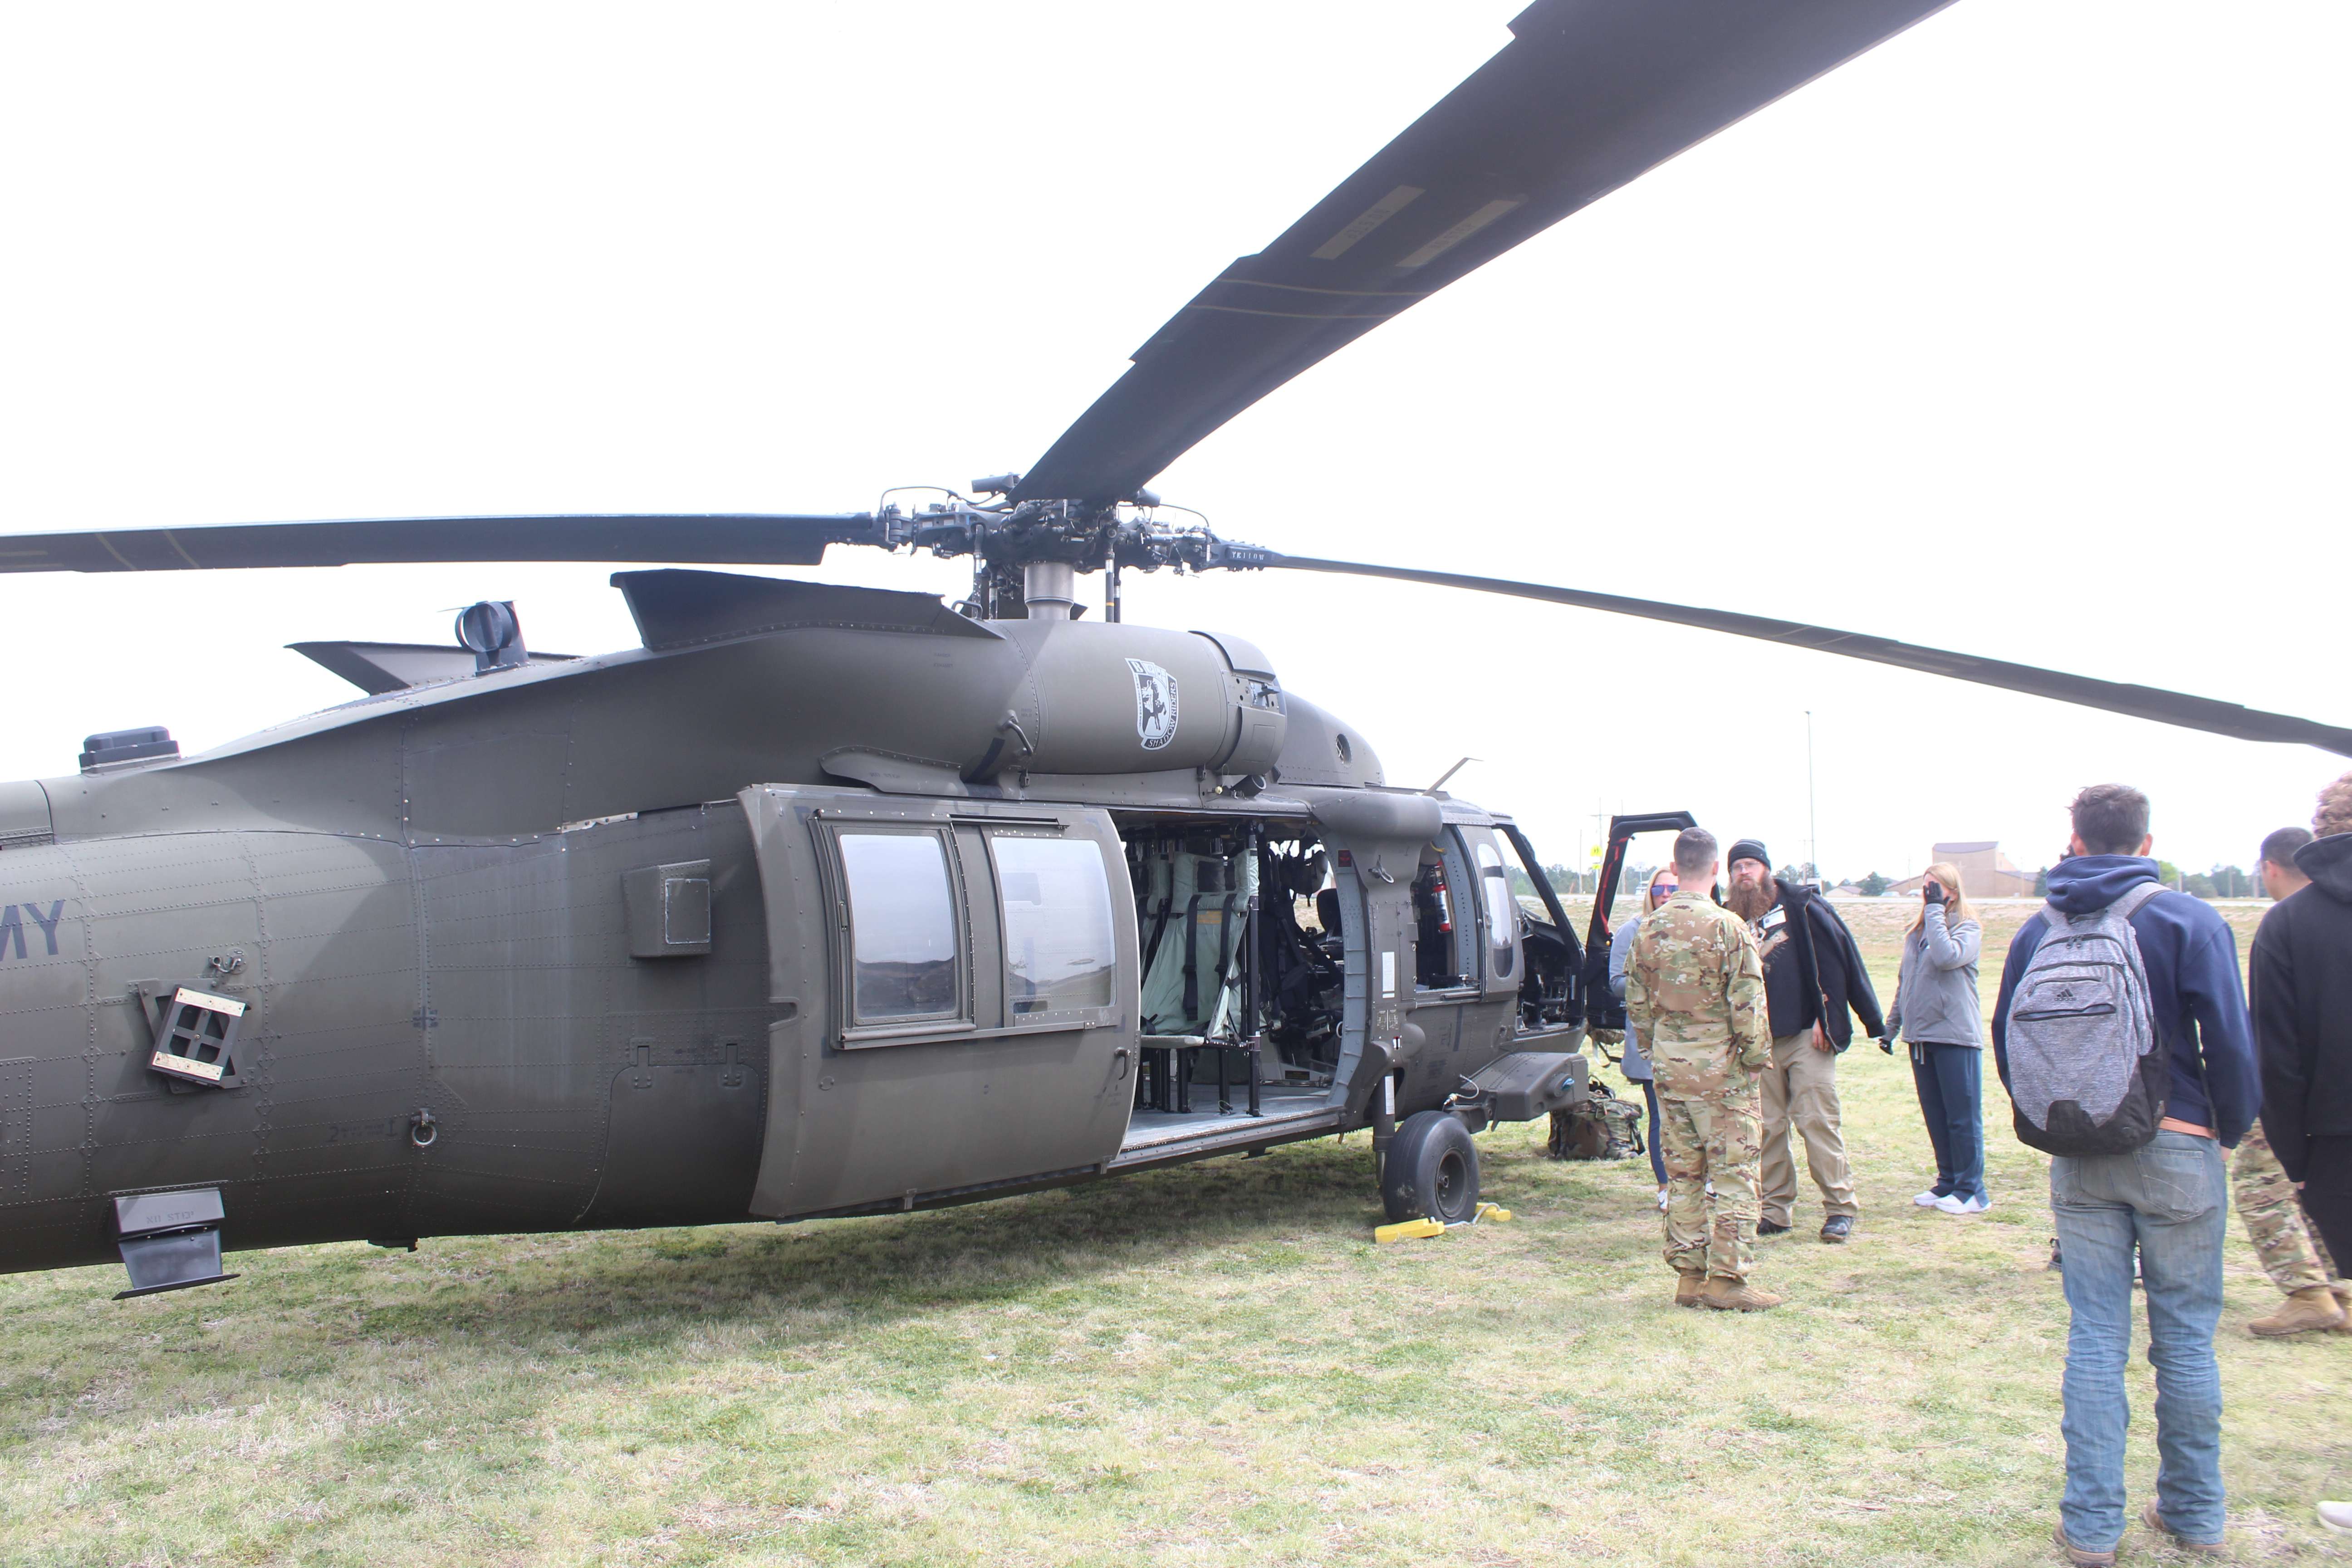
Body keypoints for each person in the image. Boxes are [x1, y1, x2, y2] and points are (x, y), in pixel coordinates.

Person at [1991, 784, 2259, 1565]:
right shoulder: (2186, 918)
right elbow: (2229, 1044)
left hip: (2080, 1157)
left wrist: (2061, 1122)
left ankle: (2089, 1528)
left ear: (2072, 840)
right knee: (2182, 1338)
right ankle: (2192, 1512)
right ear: (2146, 842)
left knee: (2095, 1336)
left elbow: (2013, 1049)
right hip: (2177, 1143)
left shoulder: (2037, 930)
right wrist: (2226, 1127)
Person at [1624, 827, 1776, 1311]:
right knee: (1735, 1175)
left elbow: (1637, 1002)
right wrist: (1754, 1062)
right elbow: (1748, 1004)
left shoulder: (1649, 928)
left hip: (1671, 1071)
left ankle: (1689, 1276)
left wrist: (1656, 1050)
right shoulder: (1729, 928)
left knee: (1685, 1176)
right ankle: (1727, 1281)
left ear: (1679, 865)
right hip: (1722, 1073)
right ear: (1715, 870)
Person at [1724, 839, 1884, 1243]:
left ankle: (1840, 1208)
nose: (1744, 873)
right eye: (1737, 867)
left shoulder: (1801, 908)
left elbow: (1838, 961)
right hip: (1758, 1043)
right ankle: (1776, 1210)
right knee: (1769, 1127)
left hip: (1805, 1036)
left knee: (1817, 1121)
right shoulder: (1728, 918)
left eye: (1751, 865)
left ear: (1766, 870)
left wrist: (1828, 1018)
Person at [2235, 824, 2345, 1336]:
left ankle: (2309, 1291)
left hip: (2309, 1103)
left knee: (2260, 1181)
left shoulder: (2287, 925)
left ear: (2270, 869)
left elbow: (2276, 1047)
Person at [1881, 860, 1987, 1215]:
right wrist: (1892, 1027)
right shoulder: (1916, 934)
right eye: (1925, 887)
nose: (1927, 893)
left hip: (1955, 1035)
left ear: (1952, 892)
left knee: (1962, 1117)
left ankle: (1972, 1191)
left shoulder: (1967, 928)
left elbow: (1946, 958)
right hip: (1921, 1036)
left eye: (1935, 887)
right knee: (1937, 1115)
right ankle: (1948, 1182)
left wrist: (1938, 912)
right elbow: (1906, 984)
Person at [1611, 867, 1678, 1209]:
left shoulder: (1695, 930)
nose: (1666, 893)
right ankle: (1665, 1187)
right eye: (1660, 888)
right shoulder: (1632, 931)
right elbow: (1615, 983)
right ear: (1650, 892)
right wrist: (1655, 984)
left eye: (1673, 887)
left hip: (1692, 1043)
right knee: (1661, 1116)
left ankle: (1703, 1183)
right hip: (1651, 1040)